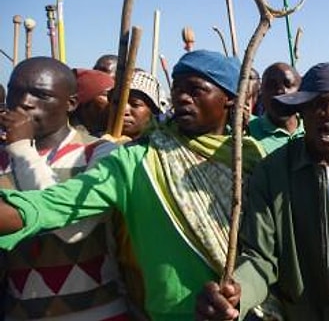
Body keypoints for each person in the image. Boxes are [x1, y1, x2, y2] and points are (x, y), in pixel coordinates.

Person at [0, 50, 265, 320]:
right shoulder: (136, 160)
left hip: (244, 311)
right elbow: (60, 203)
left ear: (230, 98)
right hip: (169, 313)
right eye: (178, 89)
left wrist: (242, 292)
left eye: (196, 90)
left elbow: (268, 253)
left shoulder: (255, 161)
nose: (183, 97)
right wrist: (16, 211)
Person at [195, 63, 329, 320]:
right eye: (316, 104)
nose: (328, 113)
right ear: (301, 110)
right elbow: (260, 258)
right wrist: (237, 293)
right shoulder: (273, 172)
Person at [0, 57, 129, 320]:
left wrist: (23, 149)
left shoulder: (101, 153)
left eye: (41, 95)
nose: (24, 102)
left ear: (71, 103)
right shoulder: (3, 159)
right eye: (16, 91)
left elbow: (70, 229)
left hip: (97, 313)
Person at [247, 62, 304, 154]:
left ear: (300, 90)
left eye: (288, 84)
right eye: (271, 85)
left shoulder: (311, 130)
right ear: (261, 91)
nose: (280, 91)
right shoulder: (247, 130)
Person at [115, 69, 163, 140]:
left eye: (135, 104)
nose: (124, 110)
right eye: (118, 103)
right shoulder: (99, 145)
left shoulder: (161, 147)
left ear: (153, 110)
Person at [70, 68, 115, 136]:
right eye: (106, 94)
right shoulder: (70, 138)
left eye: (114, 94)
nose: (113, 99)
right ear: (85, 101)